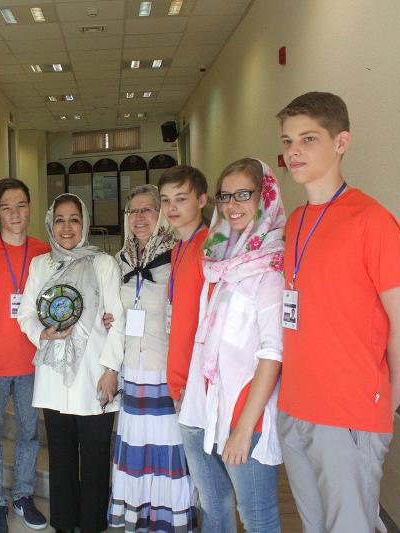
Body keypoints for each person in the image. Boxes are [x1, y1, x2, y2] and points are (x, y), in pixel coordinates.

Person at [276, 92, 400, 532]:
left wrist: (378, 408)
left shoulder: (372, 221)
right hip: (295, 407)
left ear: (341, 142)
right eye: (288, 141)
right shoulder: (296, 220)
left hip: (348, 416)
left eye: (308, 138)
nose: (294, 151)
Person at [178, 158, 285, 532]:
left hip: (245, 413)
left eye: (243, 194)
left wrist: (243, 429)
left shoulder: (270, 269)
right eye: (225, 196)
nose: (232, 205)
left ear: (265, 197)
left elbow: (272, 354)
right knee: (216, 505)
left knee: (256, 516)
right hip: (209, 405)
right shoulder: (221, 259)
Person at [17, 193, 125, 533]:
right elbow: (26, 314)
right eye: (60, 219)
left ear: (85, 223)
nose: (67, 227)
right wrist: (42, 333)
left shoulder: (103, 264)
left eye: (74, 219)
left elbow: (117, 320)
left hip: (94, 375)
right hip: (53, 375)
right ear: (51, 224)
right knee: (61, 457)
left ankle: (92, 524)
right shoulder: (41, 265)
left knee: (95, 457)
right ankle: (64, 523)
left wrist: (111, 370)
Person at [107, 184, 198, 532]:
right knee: (138, 443)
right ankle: (139, 514)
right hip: (133, 368)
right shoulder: (120, 260)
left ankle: (168, 518)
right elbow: (115, 311)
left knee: (167, 443)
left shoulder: (178, 255)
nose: (139, 217)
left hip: (165, 368)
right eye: (133, 211)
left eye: (147, 209)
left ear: (160, 215)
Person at [0, 178, 50, 533]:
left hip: (33, 364)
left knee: (29, 434)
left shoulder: (44, 252)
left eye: (20, 206)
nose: (14, 214)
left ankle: (23, 495)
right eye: (6, 207)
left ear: (30, 207)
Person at [158, 166, 209, 407]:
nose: (171, 208)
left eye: (180, 199)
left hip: (198, 382)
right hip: (180, 378)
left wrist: (195, 382)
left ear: (202, 200)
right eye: (165, 200)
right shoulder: (178, 247)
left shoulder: (208, 248)